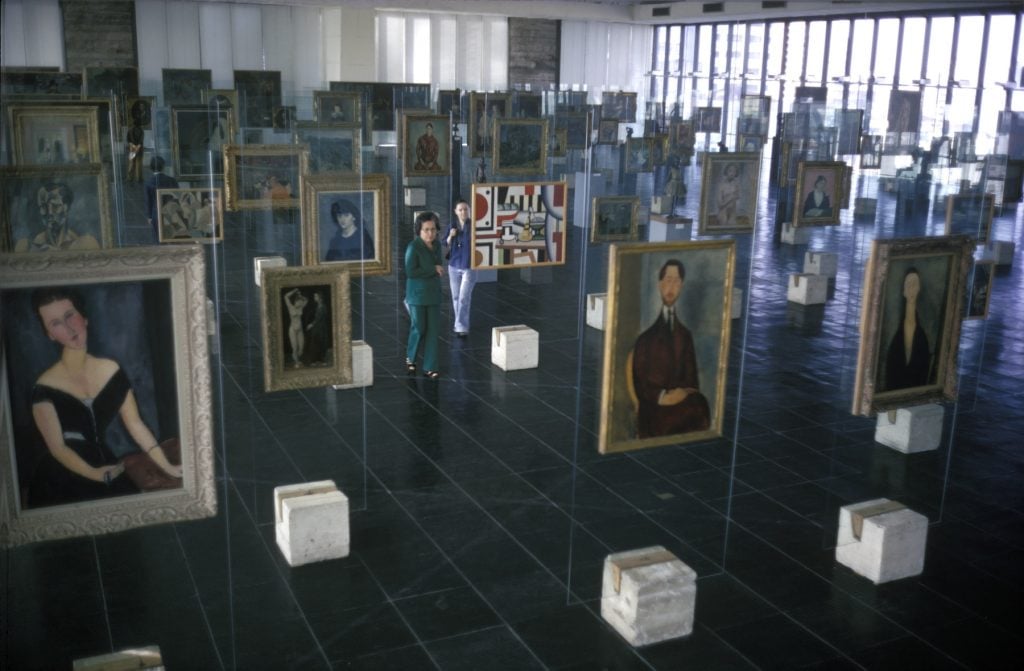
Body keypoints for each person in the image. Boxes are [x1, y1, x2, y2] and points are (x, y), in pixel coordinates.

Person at [26, 288, 181, 507]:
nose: (69, 328)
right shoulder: (43, 388)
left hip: (106, 465)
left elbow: (136, 425)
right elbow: (58, 448)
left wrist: (167, 467)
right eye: (56, 323)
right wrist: (95, 474)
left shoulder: (112, 371)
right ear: (50, 334)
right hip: (60, 476)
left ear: (84, 318)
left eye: (70, 315)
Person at [631, 260, 710, 438]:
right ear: (660, 285)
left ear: (681, 286)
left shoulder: (686, 336)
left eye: (676, 281)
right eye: (667, 280)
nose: (671, 287)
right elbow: (640, 383)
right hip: (654, 407)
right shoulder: (645, 339)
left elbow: (692, 382)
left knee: (700, 406)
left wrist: (682, 393)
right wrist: (662, 397)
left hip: (681, 404)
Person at [405, 211, 444, 379]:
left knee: (433, 331)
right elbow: (410, 272)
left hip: (433, 293)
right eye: (426, 230)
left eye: (433, 229)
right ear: (419, 231)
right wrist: (433, 270)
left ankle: (430, 367)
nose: (430, 233)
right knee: (419, 328)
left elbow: (439, 263)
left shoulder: (437, 245)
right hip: (417, 295)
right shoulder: (413, 247)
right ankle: (411, 357)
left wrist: (436, 268)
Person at [14, 183, 100, 253]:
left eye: (55, 206)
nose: (49, 212)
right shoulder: (27, 246)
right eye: (43, 206)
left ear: (67, 208)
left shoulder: (84, 244)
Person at [884, 268, 931, 391]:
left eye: (915, 283)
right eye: (908, 284)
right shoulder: (895, 338)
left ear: (919, 289)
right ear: (903, 291)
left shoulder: (922, 338)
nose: (911, 287)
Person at [445, 199, 477, 337]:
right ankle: (460, 324)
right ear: (456, 212)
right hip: (453, 265)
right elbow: (444, 242)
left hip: (469, 266)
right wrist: (450, 236)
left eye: (466, 209)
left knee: (464, 297)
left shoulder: (474, 225)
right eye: (461, 209)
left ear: (469, 210)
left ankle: (461, 326)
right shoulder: (452, 225)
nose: (463, 212)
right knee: (456, 297)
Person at [145, 156, 179, 235]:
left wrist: (149, 216)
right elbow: (177, 197)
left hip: (156, 212)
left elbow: (148, 201)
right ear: (163, 166)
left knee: (158, 236)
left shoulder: (148, 182)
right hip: (171, 211)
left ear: (151, 167)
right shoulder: (171, 180)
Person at [284, 288, 308, 368]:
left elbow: (306, 300)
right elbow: (285, 297)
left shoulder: (301, 307)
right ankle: (297, 362)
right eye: (299, 302)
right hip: (293, 330)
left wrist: (300, 295)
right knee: (295, 348)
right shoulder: (290, 307)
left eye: (301, 303)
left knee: (301, 349)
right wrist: (294, 291)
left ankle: (298, 360)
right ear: (296, 302)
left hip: (300, 330)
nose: (301, 304)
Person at [304, 291, 330, 365]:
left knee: (319, 343)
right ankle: (315, 360)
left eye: (315, 296)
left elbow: (318, 319)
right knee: (316, 343)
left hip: (320, 328)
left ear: (320, 298)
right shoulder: (319, 306)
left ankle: (320, 360)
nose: (314, 298)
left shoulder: (322, 307)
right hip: (318, 328)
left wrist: (311, 325)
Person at [715, 162, 741, 228]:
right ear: (726, 172)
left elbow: (738, 197)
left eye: (734, 171)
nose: (732, 173)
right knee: (724, 222)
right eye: (730, 171)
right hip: (723, 211)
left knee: (732, 225)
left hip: (733, 212)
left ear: (736, 173)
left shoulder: (736, 184)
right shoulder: (721, 185)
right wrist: (730, 198)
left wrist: (734, 197)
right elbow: (720, 205)